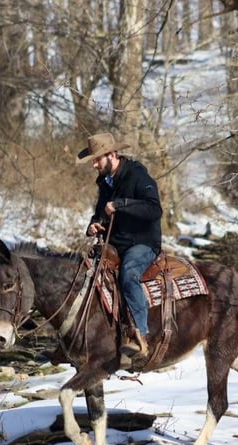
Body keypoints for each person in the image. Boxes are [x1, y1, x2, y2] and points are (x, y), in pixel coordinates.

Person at [76, 132, 163, 360]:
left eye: (97, 159)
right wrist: (94, 225)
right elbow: (100, 214)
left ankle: (141, 337)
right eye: (93, 160)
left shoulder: (138, 175)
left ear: (112, 155)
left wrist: (121, 204)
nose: (94, 164)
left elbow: (154, 209)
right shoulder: (105, 182)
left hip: (143, 243)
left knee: (128, 274)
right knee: (85, 273)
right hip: (115, 244)